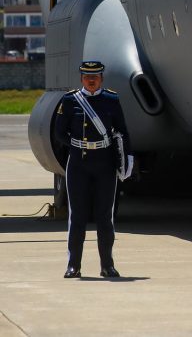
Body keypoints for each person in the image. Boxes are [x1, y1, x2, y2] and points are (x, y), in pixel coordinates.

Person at [54, 60, 133, 278]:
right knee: (77, 216)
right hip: (79, 164)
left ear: (101, 78)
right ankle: (73, 265)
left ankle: (107, 265)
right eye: (87, 77)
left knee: (105, 216)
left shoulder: (111, 99)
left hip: (104, 164)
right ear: (81, 78)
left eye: (95, 77)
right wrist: (77, 146)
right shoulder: (70, 101)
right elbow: (60, 132)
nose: (91, 80)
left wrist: (126, 160)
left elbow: (123, 131)